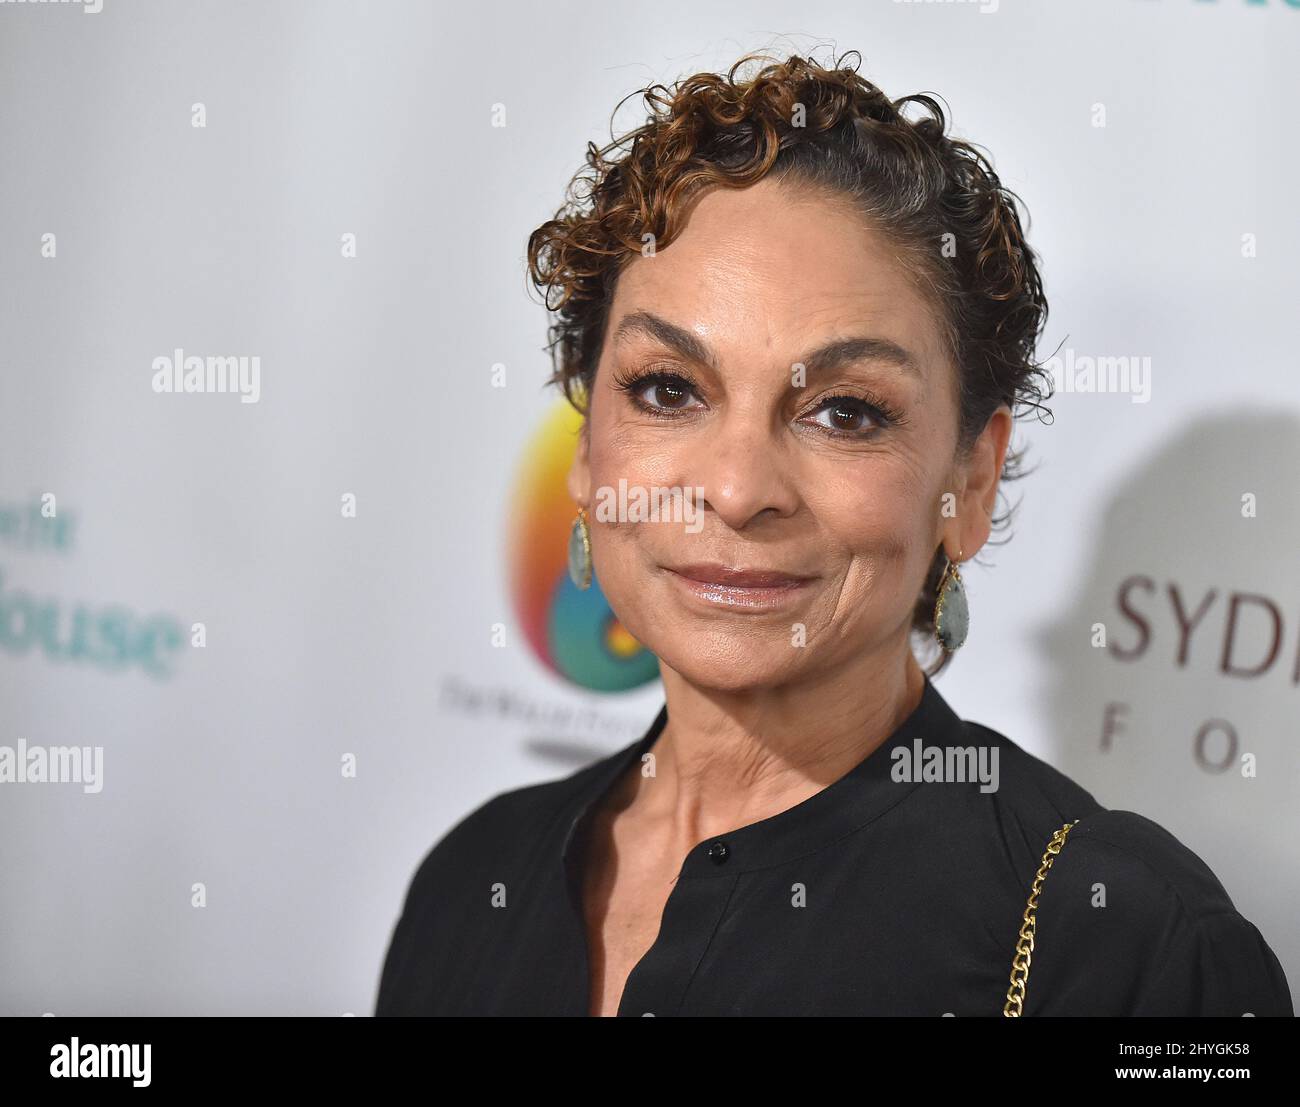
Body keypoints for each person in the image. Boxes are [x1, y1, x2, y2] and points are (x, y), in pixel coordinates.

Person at [375, 51, 1293, 1017]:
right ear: (586, 446)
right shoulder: (474, 882)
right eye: (668, 389)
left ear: (970, 480)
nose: (737, 490)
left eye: (845, 411)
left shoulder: (1126, 947)